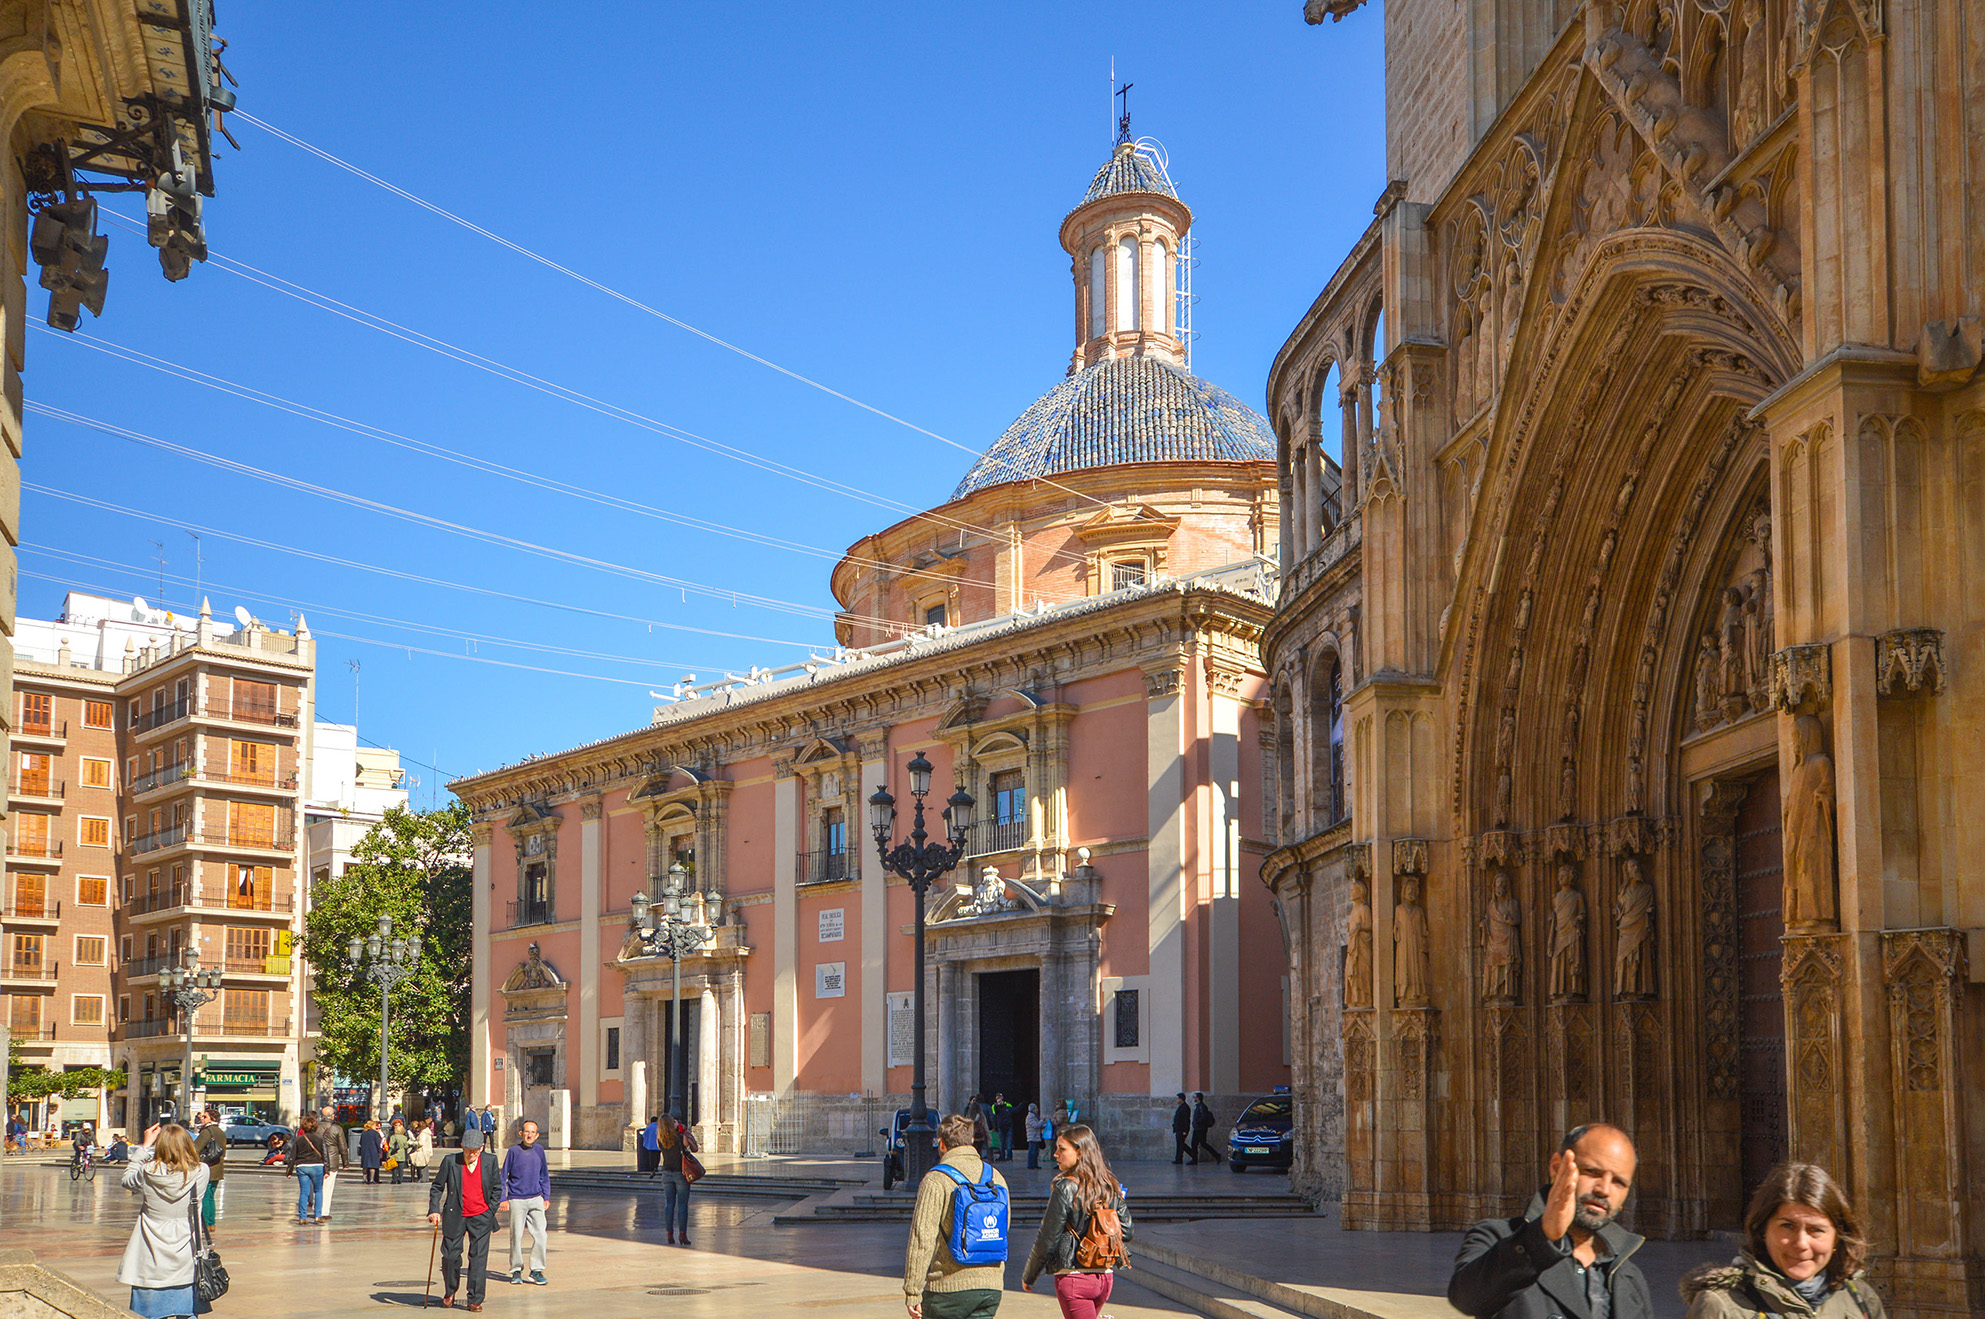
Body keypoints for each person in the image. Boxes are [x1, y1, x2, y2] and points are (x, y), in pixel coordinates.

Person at [1448, 1122, 1655, 1319]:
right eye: (1592, 1172)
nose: (1604, 1189)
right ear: (1557, 1167)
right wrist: (1542, 1237)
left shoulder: (1627, 1277)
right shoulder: (1499, 1238)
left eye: (1619, 1182)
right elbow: (1466, 1298)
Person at [1680, 1162, 1885, 1319]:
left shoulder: (1859, 1298)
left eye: (1816, 1230)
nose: (1801, 1243)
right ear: (1763, 1230)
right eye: (1787, 1226)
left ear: (1836, 1238)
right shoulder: (1719, 1306)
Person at [1022, 1123, 1133, 1319]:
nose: (1055, 1154)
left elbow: (1047, 1237)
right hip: (1105, 1277)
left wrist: (1030, 1275)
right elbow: (1127, 1230)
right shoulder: (1109, 1185)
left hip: (1075, 1278)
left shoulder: (1065, 1187)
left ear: (1080, 1152)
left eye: (1061, 1149)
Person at [903, 1112, 1009, 1319]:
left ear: (941, 1144)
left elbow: (922, 1238)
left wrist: (913, 1290)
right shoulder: (996, 1177)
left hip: (947, 1289)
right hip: (990, 1287)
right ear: (971, 1140)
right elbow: (1003, 1228)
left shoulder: (936, 1180)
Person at [116, 1122, 210, 1319]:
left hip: (151, 1252)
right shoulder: (202, 1171)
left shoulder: (148, 1171)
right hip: (187, 1251)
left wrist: (144, 1146)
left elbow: (127, 1180)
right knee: (187, 1312)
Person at [428, 1126, 507, 1313]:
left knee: (478, 1259)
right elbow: (437, 1187)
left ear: (482, 1147)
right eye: (468, 1150)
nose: (472, 1154)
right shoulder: (450, 1161)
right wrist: (434, 1210)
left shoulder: (490, 1161)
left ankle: (475, 1299)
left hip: (481, 1216)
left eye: (476, 1150)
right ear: (462, 1146)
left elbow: (497, 1188)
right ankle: (450, 1291)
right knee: (450, 1256)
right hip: (455, 1215)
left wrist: (490, 1211)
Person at [505, 1118, 552, 1286]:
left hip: (536, 1198)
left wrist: (546, 1196)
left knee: (541, 1235)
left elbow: (544, 1175)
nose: (529, 1135)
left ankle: (537, 1270)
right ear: (521, 1133)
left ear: (537, 1135)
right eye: (527, 1131)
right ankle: (516, 1270)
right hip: (517, 1199)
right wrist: (504, 1198)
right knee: (516, 1235)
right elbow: (504, 1176)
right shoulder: (513, 1151)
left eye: (533, 1132)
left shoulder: (539, 1151)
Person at [657, 1109, 699, 1246]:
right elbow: (694, 1148)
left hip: (666, 1174)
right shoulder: (681, 1138)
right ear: (672, 1124)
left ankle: (669, 1234)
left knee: (669, 1204)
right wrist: (683, 1130)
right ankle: (682, 1235)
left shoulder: (660, 1140)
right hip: (680, 1174)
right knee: (682, 1205)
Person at [286, 1113, 332, 1223]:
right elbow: (325, 1154)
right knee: (318, 1191)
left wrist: (289, 1171)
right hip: (317, 1166)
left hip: (302, 1166)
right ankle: (318, 1215)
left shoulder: (298, 1139)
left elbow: (292, 1156)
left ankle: (302, 1217)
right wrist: (327, 1169)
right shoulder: (320, 1139)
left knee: (304, 1192)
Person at [192, 1111, 226, 1229]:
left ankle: (205, 1223)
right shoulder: (220, 1132)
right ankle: (211, 1223)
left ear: (211, 1119)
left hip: (207, 1167)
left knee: (205, 1196)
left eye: (205, 1117)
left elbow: (195, 1148)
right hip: (218, 1167)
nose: (202, 1118)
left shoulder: (207, 1132)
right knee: (210, 1196)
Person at [316, 1106, 349, 1220]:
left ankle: (316, 1209)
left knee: (318, 1187)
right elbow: (343, 1147)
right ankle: (324, 1211)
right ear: (332, 1116)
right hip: (332, 1161)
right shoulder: (337, 1129)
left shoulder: (316, 1127)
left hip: (317, 1160)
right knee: (328, 1187)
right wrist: (345, 1163)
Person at [1188, 1094, 1223, 1166]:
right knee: (1194, 1144)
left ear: (1198, 1098)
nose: (1194, 1098)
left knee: (1203, 1144)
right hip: (1197, 1128)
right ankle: (1194, 1159)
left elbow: (1204, 1117)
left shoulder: (1202, 1107)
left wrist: (1197, 1122)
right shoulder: (1198, 1106)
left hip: (1201, 1129)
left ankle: (1217, 1155)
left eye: (1195, 1097)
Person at [359, 1119, 385, 1184]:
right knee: (372, 1166)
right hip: (373, 1151)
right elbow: (377, 1143)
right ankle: (371, 1179)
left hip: (365, 1151)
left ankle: (364, 1179)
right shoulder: (375, 1133)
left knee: (365, 1166)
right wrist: (380, 1152)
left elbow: (361, 1142)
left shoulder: (363, 1133)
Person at [411, 1119, 435, 1188]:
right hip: (427, 1150)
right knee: (425, 1164)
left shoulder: (423, 1134)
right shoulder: (427, 1132)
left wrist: (414, 1143)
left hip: (422, 1151)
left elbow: (421, 1143)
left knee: (421, 1165)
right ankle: (425, 1178)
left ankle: (422, 1178)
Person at [1171, 1093, 1193, 1165]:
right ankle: (1178, 1159)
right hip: (1178, 1129)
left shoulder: (1185, 1107)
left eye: (1178, 1098)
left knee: (1182, 1145)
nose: (1177, 1100)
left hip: (1182, 1129)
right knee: (1180, 1144)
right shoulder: (1181, 1107)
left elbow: (1186, 1120)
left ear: (1181, 1099)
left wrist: (1185, 1130)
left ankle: (1193, 1155)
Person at [988, 1094, 1011, 1162]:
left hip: (1007, 1124)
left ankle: (1009, 1156)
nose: (999, 1099)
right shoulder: (994, 1106)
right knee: (1001, 1142)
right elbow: (994, 1115)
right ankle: (1002, 1156)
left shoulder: (1008, 1104)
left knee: (1008, 1142)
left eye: (1000, 1097)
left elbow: (1011, 1111)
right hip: (1000, 1125)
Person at [388, 1119, 410, 1186]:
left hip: (394, 1155)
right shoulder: (404, 1137)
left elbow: (391, 1146)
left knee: (394, 1168)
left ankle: (394, 1179)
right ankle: (400, 1179)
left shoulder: (393, 1137)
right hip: (402, 1155)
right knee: (401, 1169)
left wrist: (388, 1154)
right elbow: (406, 1146)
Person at [1024, 1104, 1044, 1171]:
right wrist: (1042, 1121)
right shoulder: (1030, 1117)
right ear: (1033, 1109)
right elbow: (1036, 1125)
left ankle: (1035, 1164)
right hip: (1032, 1136)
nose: (1037, 1110)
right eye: (1036, 1108)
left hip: (1035, 1136)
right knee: (1032, 1151)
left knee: (1036, 1151)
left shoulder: (1034, 1116)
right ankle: (1031, 1164)